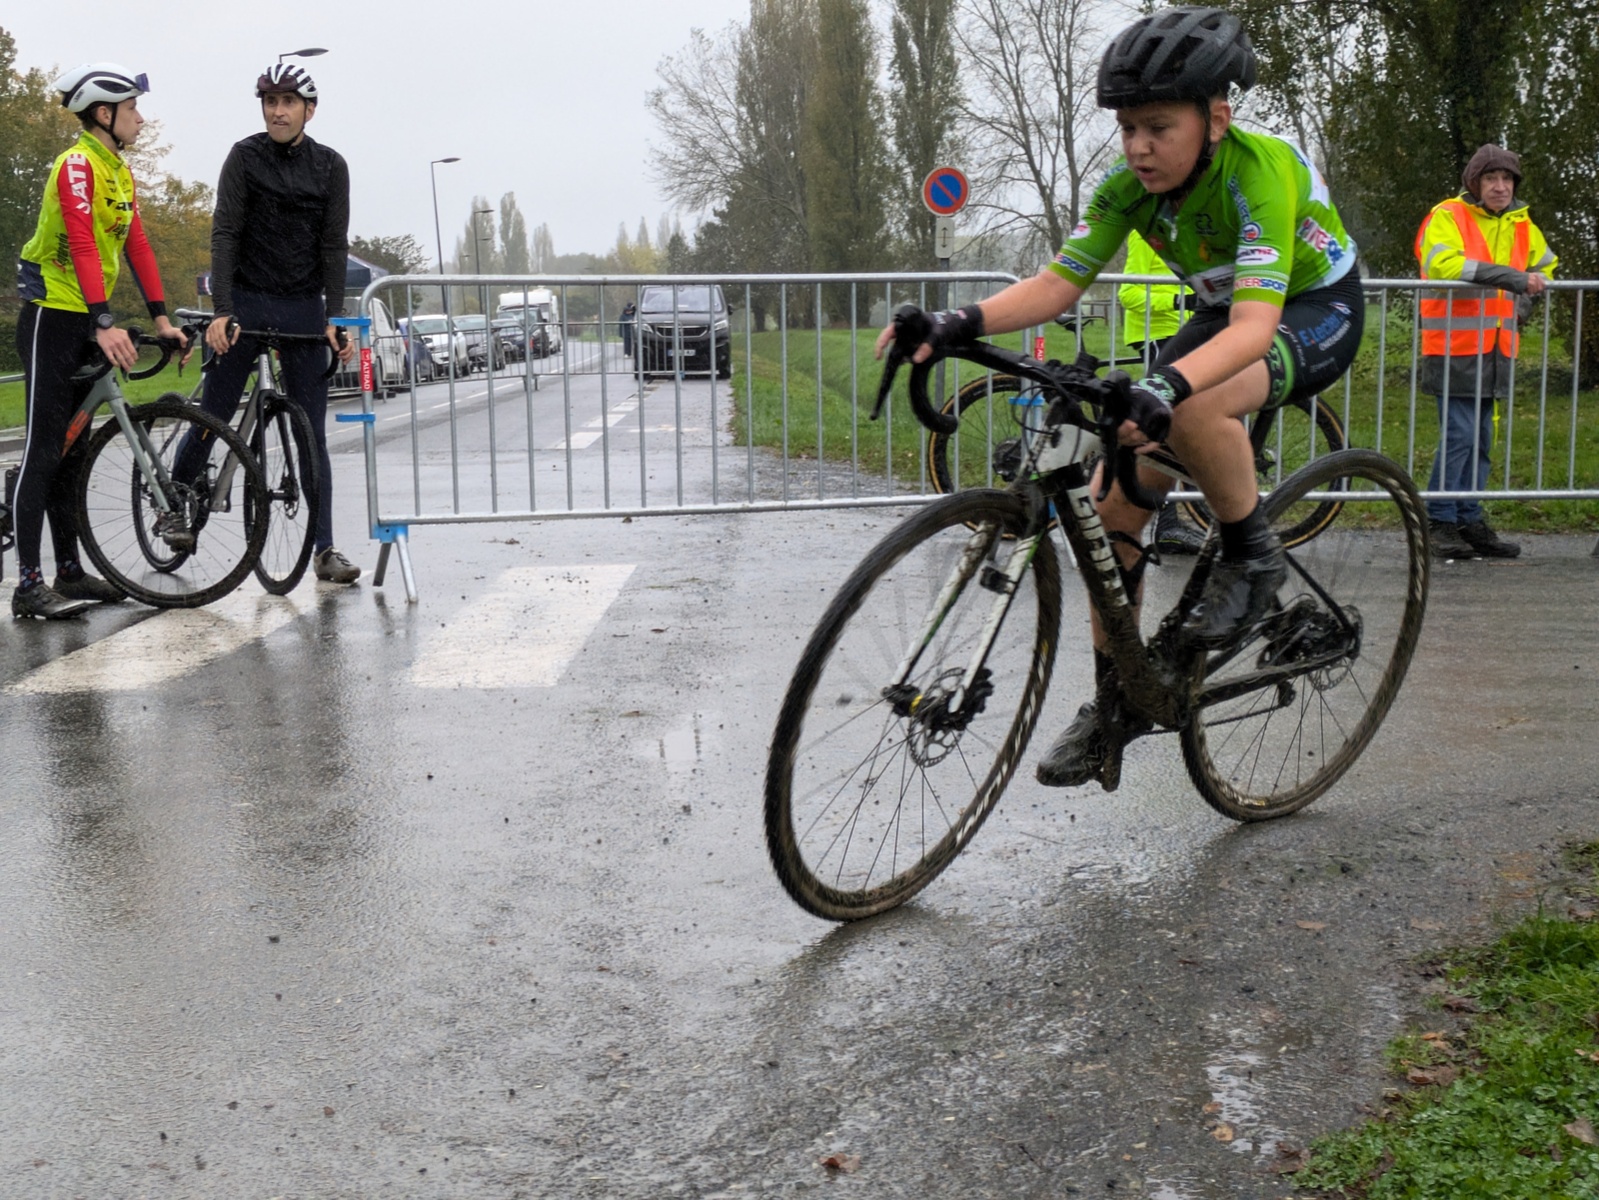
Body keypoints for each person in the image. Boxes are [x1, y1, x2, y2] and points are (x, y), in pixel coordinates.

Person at [875, 6, 1365, 791]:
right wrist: (955, 322)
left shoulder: (1258, 173)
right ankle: (1116, 704)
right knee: (1111, 512)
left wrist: (1164, 385)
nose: (1137, 147)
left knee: (1193, 404)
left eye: (1157, 127)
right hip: (1223, 311)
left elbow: (1251, 328)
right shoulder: (1126, 189)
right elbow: (1054, 284)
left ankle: (1253, 555)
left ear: (1215, 118)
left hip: (1311, 311)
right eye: (1127, 128)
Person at [11, 63, 189, 620]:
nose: (141, 119)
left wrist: (161, 317)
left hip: (86, 317)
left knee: (73, 452)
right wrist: (105, 320)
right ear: (104, 114)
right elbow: (83, 245)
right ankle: (27, 583)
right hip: (52, 315)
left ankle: (68, 572)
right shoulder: (77, 166)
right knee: (44, 450)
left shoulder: (118, 172)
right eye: (133, 109)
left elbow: (136, 246)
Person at [191, 61, 359, 585]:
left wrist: (335, 316)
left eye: (288, 103)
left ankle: (325, 548)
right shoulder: (244, 157)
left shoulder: (331, 166)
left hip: (301, 306)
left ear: (310, 110)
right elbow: (225, 234)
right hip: (245, 301)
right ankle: (178, 501)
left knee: (311, 435)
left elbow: (333, 245)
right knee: (215, 411)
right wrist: (222, 310)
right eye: (270, 102)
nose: (278, 112)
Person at [1415, 144, 1556, 561]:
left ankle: (1468, 518)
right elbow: (1443, 265)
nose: (1500, 186)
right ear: (1474, 183)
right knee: (1460, 435)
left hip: (1497, 346)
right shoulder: (1448, 215)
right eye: (1491, 178)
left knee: (1480, 437)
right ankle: (1440, 520)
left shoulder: (1522, 223)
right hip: (1453, 346)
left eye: (1507, 178)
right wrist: (1513, 279)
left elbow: (1546, 268)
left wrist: (1521, 305)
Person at [1119, 229, 1204, 555]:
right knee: (1164, 421)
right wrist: (1177, 301)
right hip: (1157, 332)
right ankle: (1167, 525)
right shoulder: (1145, 233)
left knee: (1189, 417)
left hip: (1184, 330)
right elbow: (1128, 293)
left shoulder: (1185, 232)